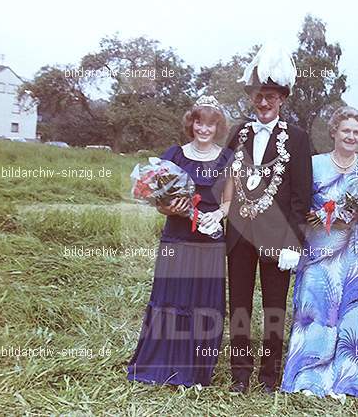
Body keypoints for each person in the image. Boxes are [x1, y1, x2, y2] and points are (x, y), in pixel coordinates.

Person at [224, 43, 313, 394]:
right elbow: (224, 178)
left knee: (274, 308)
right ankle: (240, 374)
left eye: (271, 97)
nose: (264, 103)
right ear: (251, 97)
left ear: (282, 99)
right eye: (259, 96)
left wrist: (294, 241)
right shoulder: (239, 133)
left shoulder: (298, 138)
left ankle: (269, 375)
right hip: (240, 235)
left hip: (278, 239)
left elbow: (301, 195)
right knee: (240, 305)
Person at [281, 106, 358, 401]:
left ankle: (345, 383)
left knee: (353, 315)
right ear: (334, 132)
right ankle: (308, 379)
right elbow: (298, 204)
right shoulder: (313, 164)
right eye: (346, 131)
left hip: (356, 255)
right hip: (320, 252)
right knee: (315, 312)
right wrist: (320, 216)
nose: (351, 136)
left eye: (356, 132)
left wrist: (353, 217)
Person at [127, 95, 232, 387]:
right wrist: (169, 208)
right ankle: (162, 365)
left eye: (211, 124)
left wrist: (218, 216)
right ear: (191, 123)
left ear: (217, 127)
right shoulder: (173, 155)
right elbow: (158, 200)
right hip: (177, 237)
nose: (204, 129)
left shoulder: (227, 158)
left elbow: (228, 201)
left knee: (202, 303)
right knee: (171, 298)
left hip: (209, 241)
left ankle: (196, 370)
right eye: (199, 122)